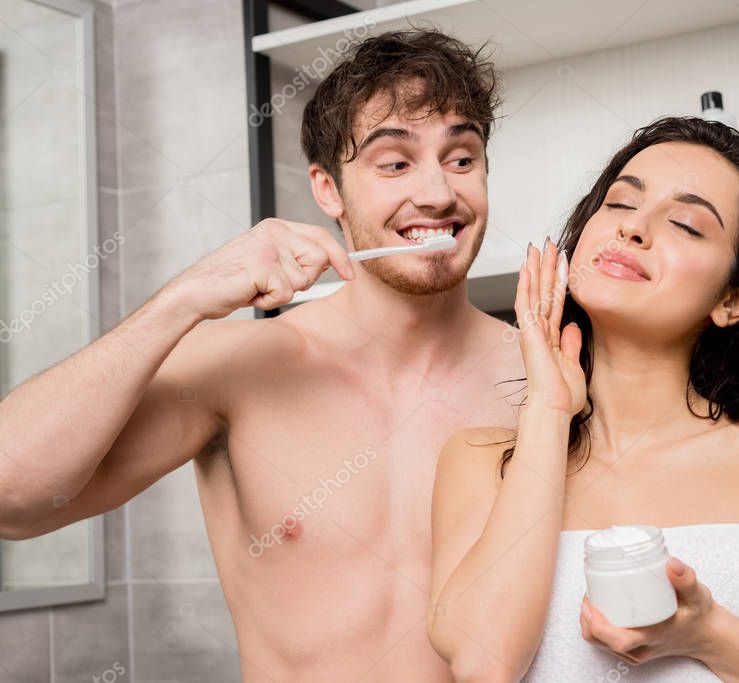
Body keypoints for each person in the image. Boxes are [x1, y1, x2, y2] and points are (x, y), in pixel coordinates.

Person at [0, 30, 522, 681]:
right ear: (327, 189)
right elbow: (10, 496)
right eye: (394, 163)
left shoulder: (547, 379)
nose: (439, 192)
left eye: (462, 157)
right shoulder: (239, 366)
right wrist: (181, 300)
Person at [427, 117, 739, 682]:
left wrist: (710, 635)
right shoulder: (481, 460)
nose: (634, 229)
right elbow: (484, 666)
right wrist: (549, 414)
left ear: (733, 298)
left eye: (685, 224)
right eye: (620, 204)